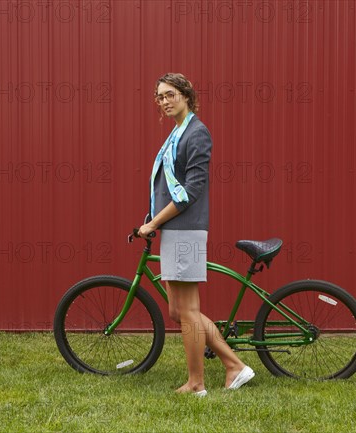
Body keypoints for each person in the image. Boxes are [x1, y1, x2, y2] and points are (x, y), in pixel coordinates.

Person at [138, 73, 254, 396]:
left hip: (185, 230)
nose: (164, 100)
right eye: (159, 96)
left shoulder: (197, 133)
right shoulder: (177, 134)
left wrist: (153, 223)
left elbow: (191, 190)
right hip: (174, 229)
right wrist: (154, 219)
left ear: (186, 95)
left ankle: (197, 383)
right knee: (178, 310)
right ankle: (234, 365)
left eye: (170, 94)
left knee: (187, 310)